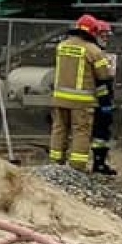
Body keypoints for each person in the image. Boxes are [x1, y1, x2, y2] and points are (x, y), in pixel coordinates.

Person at [48, 14, 112, 172]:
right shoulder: (93, 51)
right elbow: (104, 75)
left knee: (59, 129)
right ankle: (76, 167)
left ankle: (55, 162)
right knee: (81, 131)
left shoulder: (61, 46)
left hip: (59, 98)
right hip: (82, 101)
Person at [88, 19, 119, 176]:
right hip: (94, 100)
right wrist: (104, 100)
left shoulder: (102, 53)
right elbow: (100, 80)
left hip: (101, 98)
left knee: (102, 133)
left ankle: (99, 162)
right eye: (103, 35)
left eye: (108, 35)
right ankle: (96, 163)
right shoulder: (94, 52)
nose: (106, 38)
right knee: (94, 131)